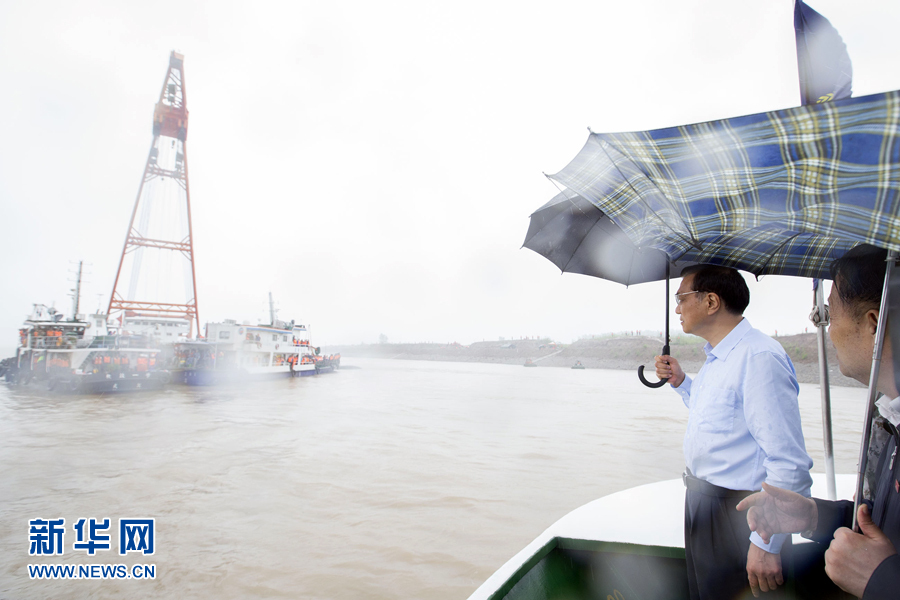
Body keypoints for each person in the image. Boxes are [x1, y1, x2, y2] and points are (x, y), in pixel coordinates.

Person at [737, 245, 900, 599]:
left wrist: (884, 580)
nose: (825, 327)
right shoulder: (889, 421)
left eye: (830, 312)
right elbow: (885, 527)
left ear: (873, 323)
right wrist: (813, 517)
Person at [654, 264, 813, 600]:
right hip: (702, 504)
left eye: (681, 298)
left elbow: (788, 460)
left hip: (741, 516)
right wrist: (682, 382)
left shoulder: (759, 357)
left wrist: (766, 543)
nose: (677, 307)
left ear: (711, 302)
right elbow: (715, 419)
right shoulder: (719, 356)